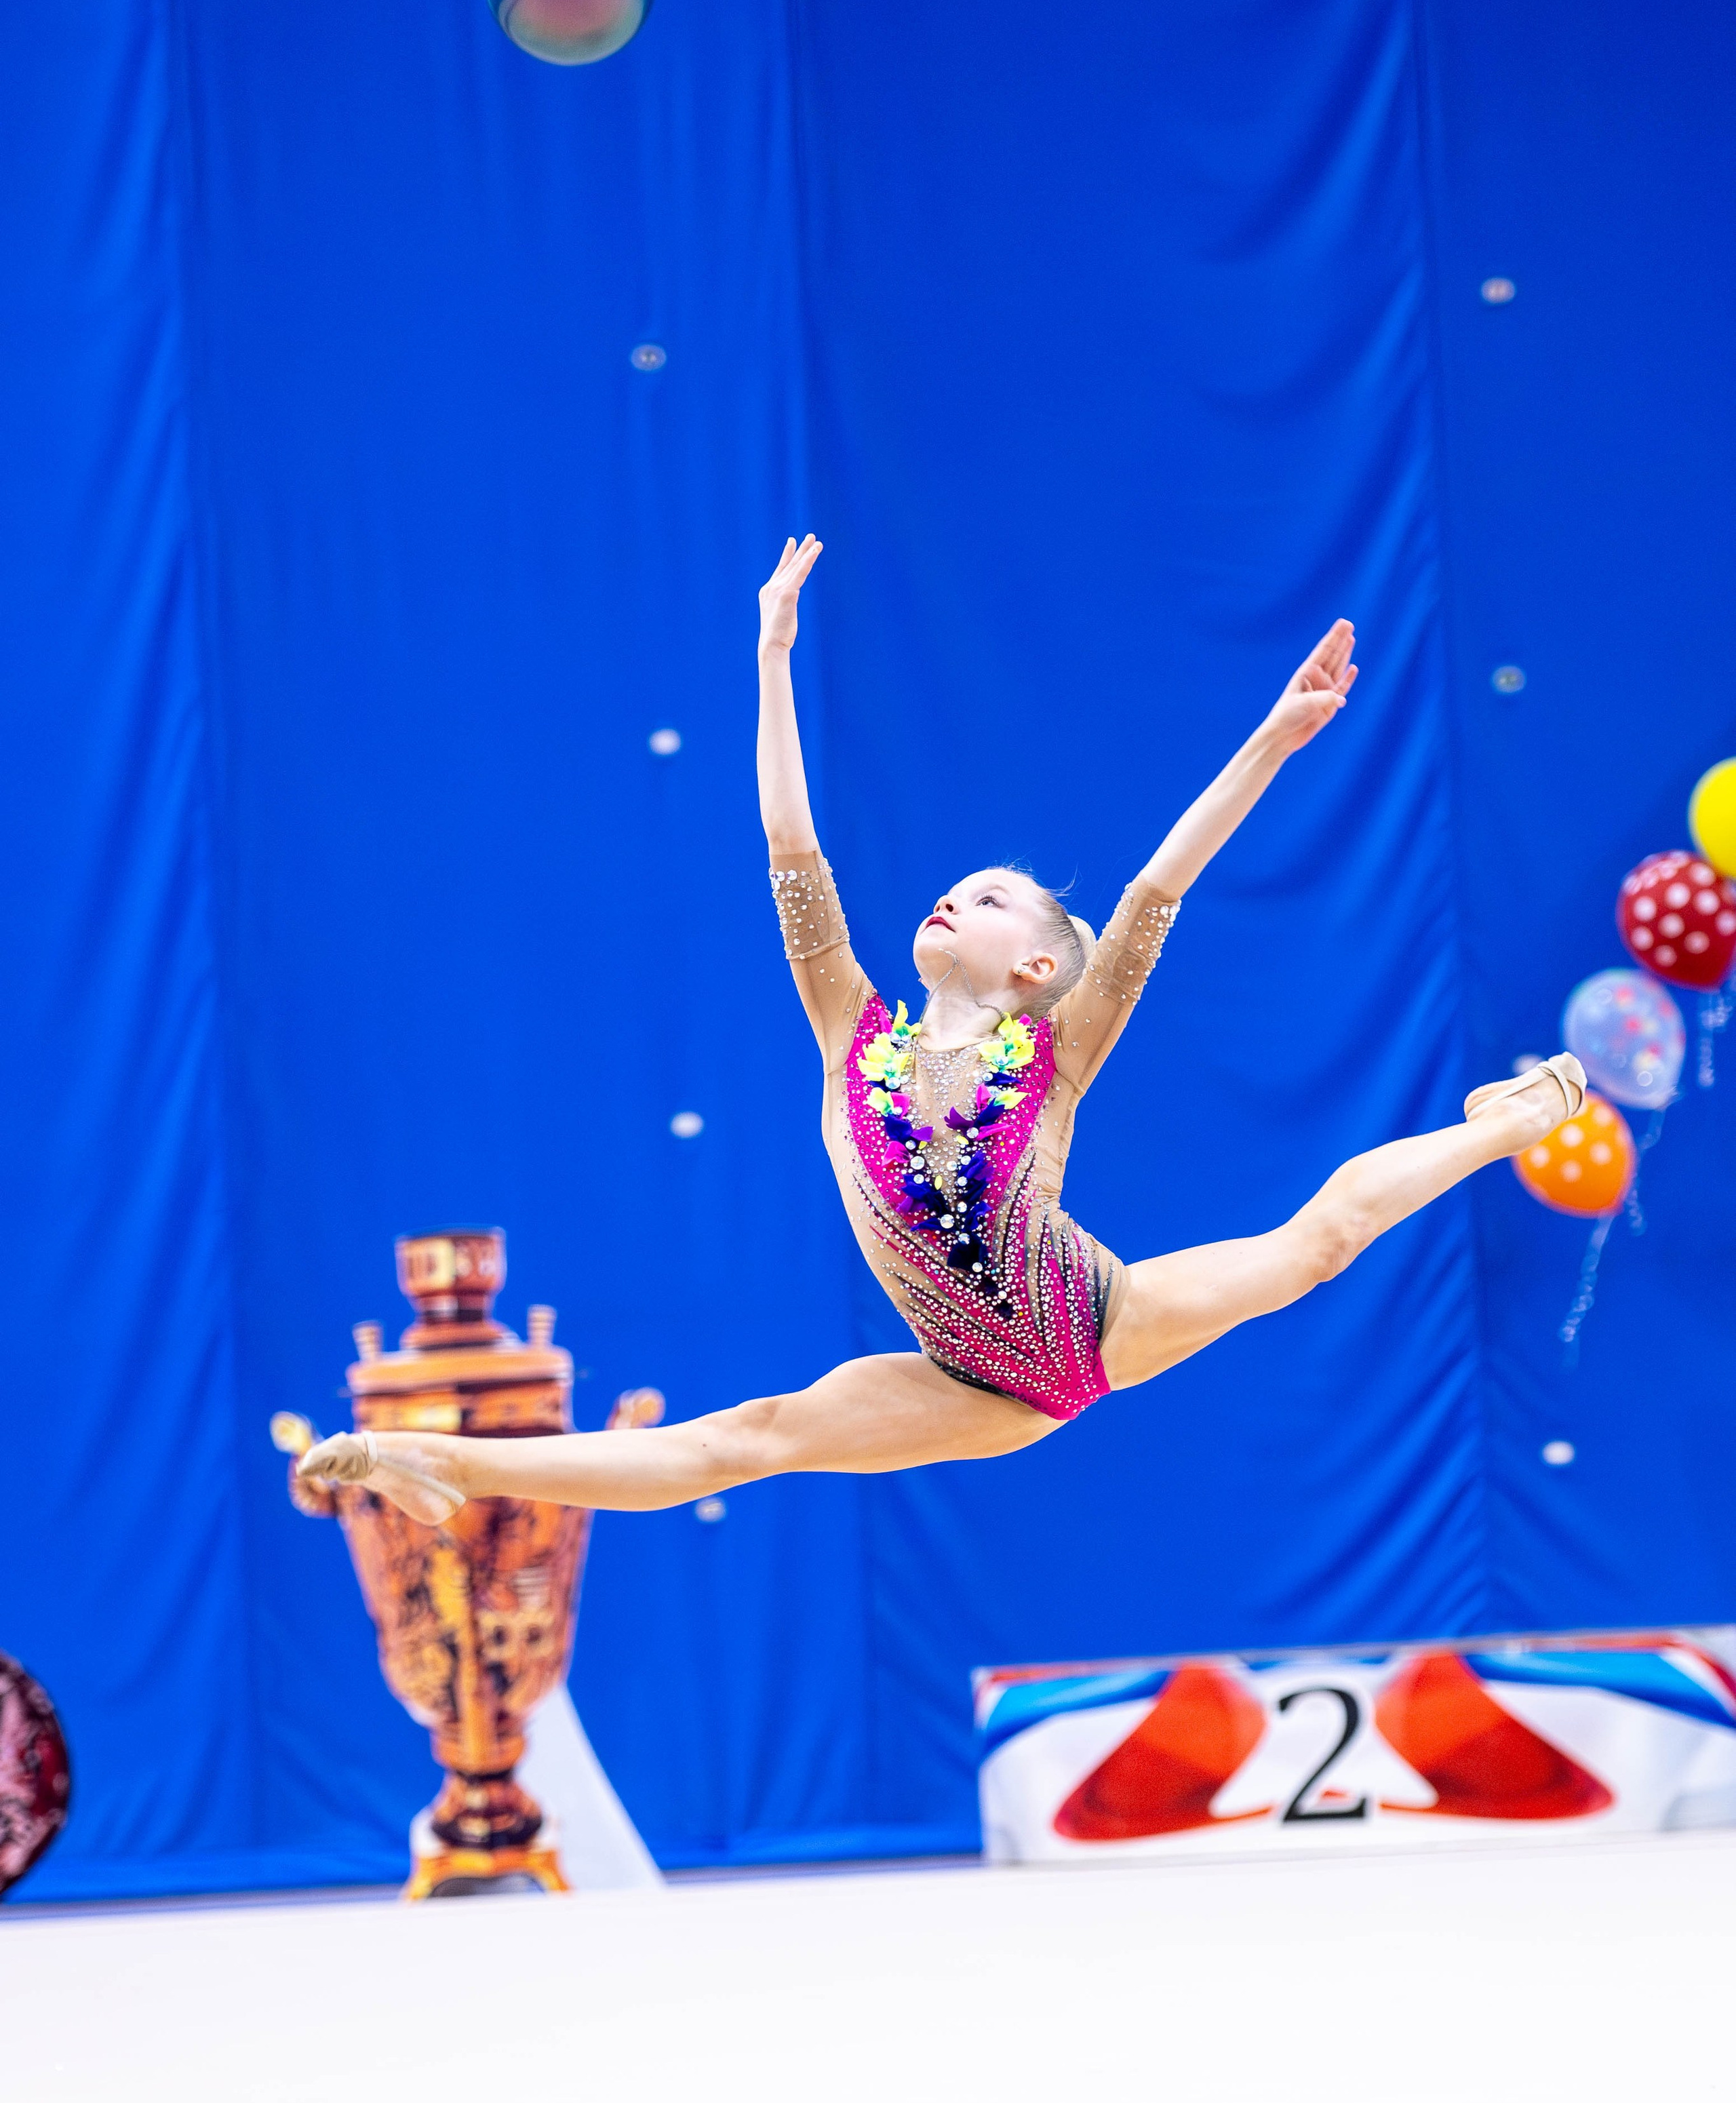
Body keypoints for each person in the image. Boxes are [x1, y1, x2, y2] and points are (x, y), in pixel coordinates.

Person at [300, 536, 1584, 1524]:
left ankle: (1508, 1119)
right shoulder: (847, 1027)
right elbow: (791, 849)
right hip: (966, 1386)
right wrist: (771, 656)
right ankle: (434, 1456)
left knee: (1323, 1240)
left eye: (988, 897)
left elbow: (1154, 893)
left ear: (1035, 961)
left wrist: (1275, 738)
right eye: (954, 887)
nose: (950, 896)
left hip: (1101, 1322)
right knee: (742, 1438)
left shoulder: (1061, 1051)